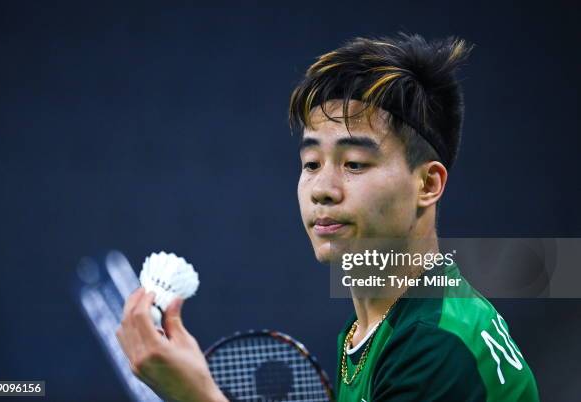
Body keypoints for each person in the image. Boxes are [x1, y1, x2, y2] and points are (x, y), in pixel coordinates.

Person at [116, 33, 539, 401]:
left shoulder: (434, 348)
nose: (322, 189)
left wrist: (197, 396)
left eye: (354, 163)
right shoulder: (374, 331)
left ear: (427, 185)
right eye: (312, 163)